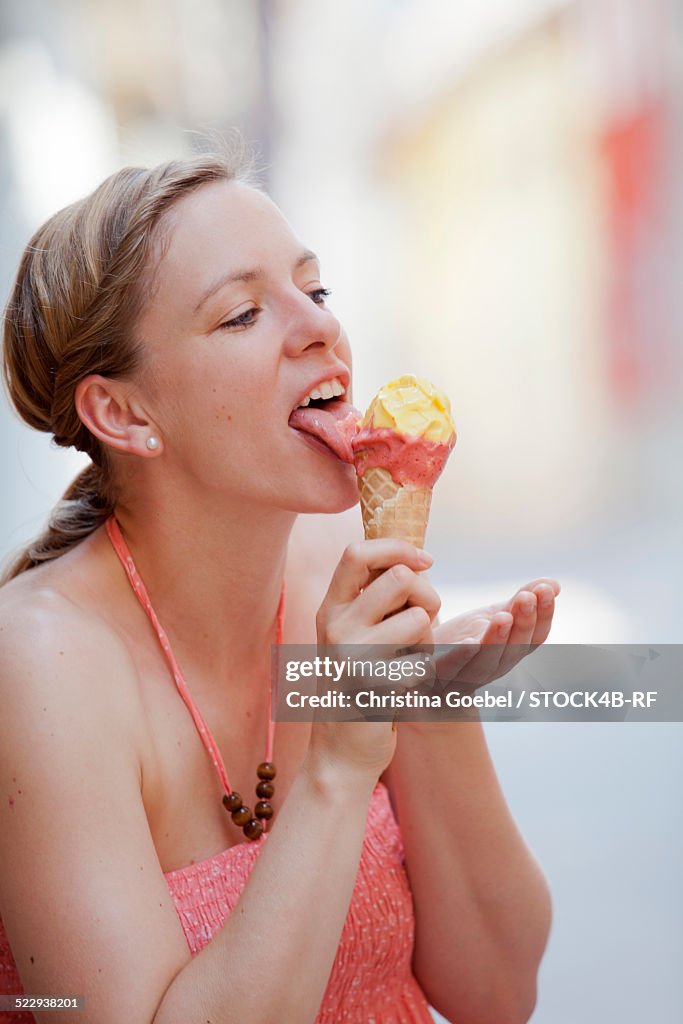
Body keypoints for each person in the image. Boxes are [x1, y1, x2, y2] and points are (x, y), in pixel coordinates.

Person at [0, 148, 559, 1024]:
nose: (319, 329)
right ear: (125, 414)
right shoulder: (41, 662)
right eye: (243, 314)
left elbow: (494, 991)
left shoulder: (345, 560)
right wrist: (336, 767)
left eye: (316, 291)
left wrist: (421, 701)